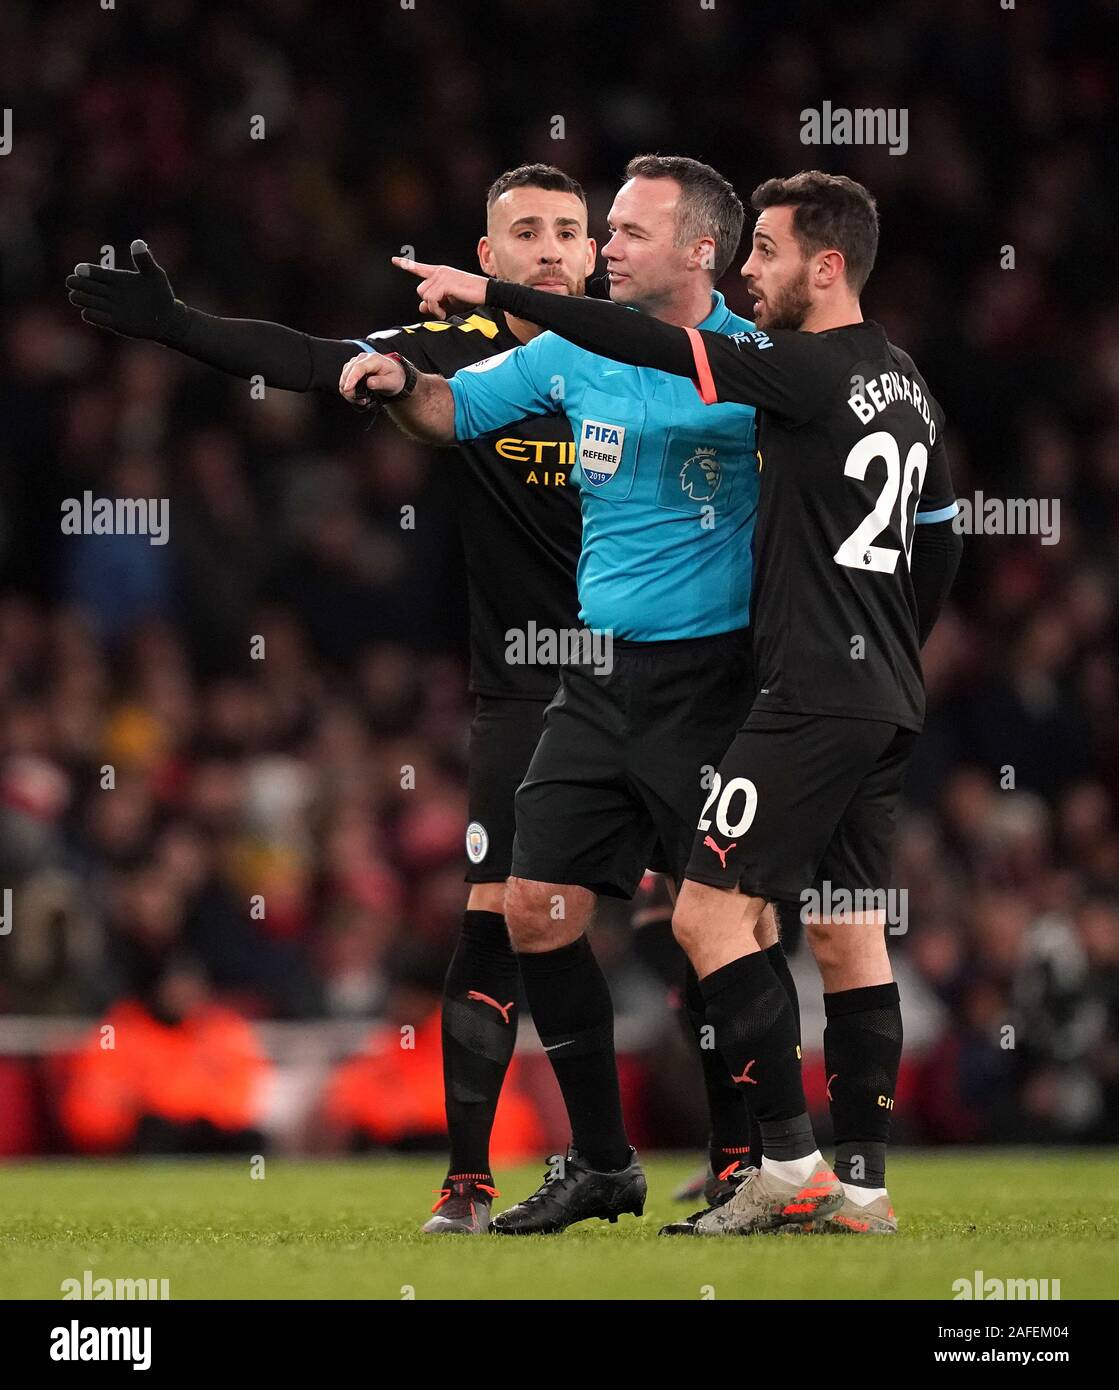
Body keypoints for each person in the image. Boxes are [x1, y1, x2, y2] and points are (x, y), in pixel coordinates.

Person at [64, 163, 754, 1234]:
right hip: (529, 684)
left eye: (572, 231)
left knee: (701, 918)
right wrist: (180, 326)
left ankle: (744, 1156)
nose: (553, 249)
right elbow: (309, 359)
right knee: (501, 918)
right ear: (485, 262)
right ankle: (480, 1178)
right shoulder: (464, 358)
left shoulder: (648, 348)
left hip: (677, 670)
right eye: (524, 232)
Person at [383, 169, 963, 1235]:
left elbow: (650, 345)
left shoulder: (792, 365)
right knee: (846, 931)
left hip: (798, 692)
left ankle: (786, 1165)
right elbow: (945, 537)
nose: (754, 270)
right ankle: (865, 1186)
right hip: (883, 687)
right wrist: (895, 650)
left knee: (706, 912)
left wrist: (488, 297)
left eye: (770, 254)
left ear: (825, 267)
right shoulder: (907, 379)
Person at [341, 155, 799, 1235]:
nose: (607, 249)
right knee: (536, 909)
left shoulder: (759, 365)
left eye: (630, 232)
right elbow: (454, 411)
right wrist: (402, 384)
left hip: (714, 683)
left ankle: (776, 1162)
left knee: (720, 922)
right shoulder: (573, 348)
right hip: (596, 679)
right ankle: (603, 1160)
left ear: (699, 252)